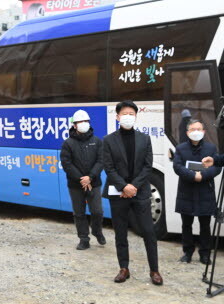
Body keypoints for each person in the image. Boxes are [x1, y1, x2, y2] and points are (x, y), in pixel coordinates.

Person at [102, 100, 163, 285]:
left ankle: (154, 271)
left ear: (135, 116)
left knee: (148, 232)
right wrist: (124, 186)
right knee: (120, 232)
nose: (128, 116)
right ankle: (124, 268)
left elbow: (147, 166)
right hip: (118, 193)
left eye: (131, 114)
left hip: (140, 192)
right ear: (118, 116)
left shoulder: (144, 139)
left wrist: (133, 186)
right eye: (125, 113)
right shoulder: (108, 140)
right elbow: (109, 168)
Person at [174, 120, 221, 264]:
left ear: (204, 132)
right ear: (188, 133)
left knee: (205, 225)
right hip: (186, 192)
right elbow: (177, 166)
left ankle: (205, 254)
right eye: (193, 129)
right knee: (186, 224)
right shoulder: (181, 148)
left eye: (199, 129)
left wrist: (203, 176)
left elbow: (217, 166)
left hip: (205, 191)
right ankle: (187, 253)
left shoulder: (211, 148)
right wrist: (193, 175)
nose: (196, 132)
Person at [60, 109, 105, 250]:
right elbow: (66, 164)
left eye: (86, 121)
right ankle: (84, 239)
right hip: (75, 185)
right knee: (79, 213)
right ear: (74, 125)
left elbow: (101, 160)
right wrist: (81, 179)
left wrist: (90, 177)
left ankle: (97, 231)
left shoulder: (97, 141)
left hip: (94, 183)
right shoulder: (68, 143)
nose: (83, 124)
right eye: (80, 122)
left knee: (97, 211)